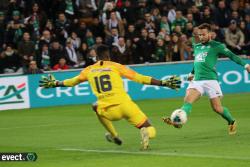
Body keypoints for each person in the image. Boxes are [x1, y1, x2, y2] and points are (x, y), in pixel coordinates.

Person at [39, 44, 181, 150]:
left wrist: (56, 83)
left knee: (95, 107)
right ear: (108, 56)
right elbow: (140, 78)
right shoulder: (115, 66)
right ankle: (146, 133)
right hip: (126, 105)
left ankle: (114, 135)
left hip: (108, 110)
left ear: (97, 56)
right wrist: (163, 83)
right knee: (150, 128)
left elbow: (71, 82)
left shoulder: (89, 70)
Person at [163, 23, 250, 135]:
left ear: (210, 34)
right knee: (188, 99)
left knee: (217, 108)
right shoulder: (197, 46)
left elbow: (232, 56)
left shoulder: (217, 46)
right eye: (199, 35)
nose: (201, 37)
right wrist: (192, 72)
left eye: (203, 34)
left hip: (211, 81)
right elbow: (197, 62)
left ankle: (231, 121)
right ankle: (178, 120)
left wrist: (246, 65)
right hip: (197, 80)